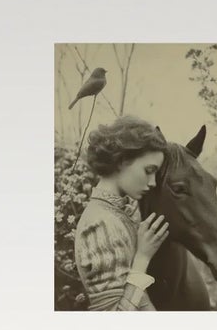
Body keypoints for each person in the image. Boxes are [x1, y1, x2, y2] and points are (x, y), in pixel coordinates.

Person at [71, 116, 170, 311]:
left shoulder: (116, 212)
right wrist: (143, 256)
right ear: (122, 161)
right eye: (148, 170)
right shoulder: (100, 224)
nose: (153, 182)